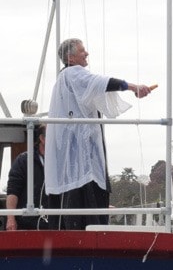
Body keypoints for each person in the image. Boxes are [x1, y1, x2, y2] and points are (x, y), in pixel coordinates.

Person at [45, 38, 152, 230]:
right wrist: (132, 87)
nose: (87, 54)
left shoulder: (64, 78)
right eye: (82, 51)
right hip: (81, 160)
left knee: (77, 203)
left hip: (75, 158)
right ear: (70, 57)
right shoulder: (72, 73)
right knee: (86, 205)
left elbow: (94, 87)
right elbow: (99, 82)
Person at [6, 124, 48, 230]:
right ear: (42, 138)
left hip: (56, 224)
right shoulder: (23, 161)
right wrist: (11, 219)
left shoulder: (62, 162)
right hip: (27, 225)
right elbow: (13, 191)